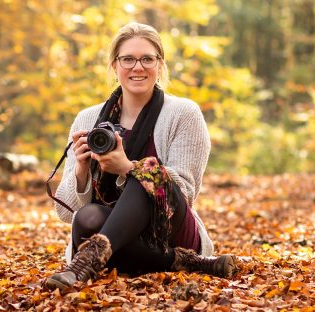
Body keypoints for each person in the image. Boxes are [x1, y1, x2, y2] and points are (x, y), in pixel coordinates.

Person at [44, 22, 237, 290]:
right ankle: (188, 262)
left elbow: (184, 191)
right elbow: (66, 213)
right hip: (119, 236)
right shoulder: (87, 119)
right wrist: (81, 170)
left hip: (170, 231)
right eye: (128, 59)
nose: (138, 67)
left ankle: (85, 263)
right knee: (88, 217)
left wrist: (126, 167)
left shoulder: (184, 113)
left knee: (146, 173)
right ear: (115, 66)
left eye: (147, 58)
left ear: (160, 64)